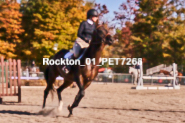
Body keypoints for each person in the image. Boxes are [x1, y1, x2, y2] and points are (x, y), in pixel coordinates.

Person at [62, 9, 99, 73]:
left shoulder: (94, 26)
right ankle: (68, 66)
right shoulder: (84, 23)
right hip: (80, 41)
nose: (97, 18)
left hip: (89, 43)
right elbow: (79, 34)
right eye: (95, 16)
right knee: (76, 54)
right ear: (91, 16)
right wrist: (85, 39)